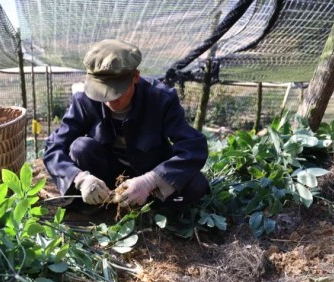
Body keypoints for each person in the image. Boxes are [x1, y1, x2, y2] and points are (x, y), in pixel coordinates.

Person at [42, 39, 209, 213]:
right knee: (80, 147)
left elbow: (193, 146)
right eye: (102, 92)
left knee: (196, 184)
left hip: (151, 172)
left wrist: (150, 181)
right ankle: (102, 202)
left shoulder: (161, 99)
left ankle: (151, 208)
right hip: (106, 177)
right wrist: (80, 179)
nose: (109, 100)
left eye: (116, 91)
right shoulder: (84, 101)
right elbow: (54, 146)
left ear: (135, 76)